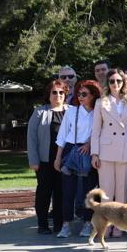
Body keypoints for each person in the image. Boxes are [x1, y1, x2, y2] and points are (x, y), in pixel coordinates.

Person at [90, 69, 127, 234]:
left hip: (126, 148)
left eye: (119, 81)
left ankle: (119, 227)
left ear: (124, 82)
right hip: (106, 150)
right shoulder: (101, 102)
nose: (116, 84)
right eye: (112, 81)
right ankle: (104, 226)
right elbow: (96, 129)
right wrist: (94, 153)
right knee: (106, 192)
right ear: (108, 83)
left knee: (122, 192)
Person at [53, 79, 101, 238]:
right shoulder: (72, 111)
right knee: (68, 191)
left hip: (89, 152)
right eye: (79, 93)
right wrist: (58, 158)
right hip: (71, 149)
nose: (80, 96)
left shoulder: (98, 112)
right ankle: (66, 225)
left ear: (93, 95)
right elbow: (62, 135)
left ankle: (87, 223)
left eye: (84, 94)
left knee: (89, 191)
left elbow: (101, 133)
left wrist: (89, 144)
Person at [28, 80, 69, 234]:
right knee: (44, 193)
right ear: (49, 94)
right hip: (44, 161)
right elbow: (31, 138)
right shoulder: (40, 112)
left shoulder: (71, 111)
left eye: (61, 92)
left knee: (61, 193)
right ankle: (42, 225)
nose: (58, 95)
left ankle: (59, 225)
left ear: (65, 94)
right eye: (54, 92)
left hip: (65, 161)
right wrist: (33, 161)